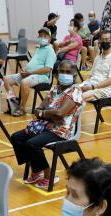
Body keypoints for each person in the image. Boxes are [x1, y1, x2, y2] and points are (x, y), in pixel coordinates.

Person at [11, 60, 83, 190]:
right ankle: (36, 170)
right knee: (17, 137)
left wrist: (45, 113)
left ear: (74, 74)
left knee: (32, 144)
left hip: (62, 131)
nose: (65, 74)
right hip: (45, 126)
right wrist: (49, 114)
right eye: (62, 71)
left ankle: (49, 174)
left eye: (68, 72)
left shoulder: (75, 91)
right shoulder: (55, 89)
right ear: (56, 74)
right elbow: (37, 110)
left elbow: (60, 113)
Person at [4, 28, 56, 117]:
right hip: (29, 73)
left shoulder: (50, 51)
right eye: (40, 36)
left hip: (41, 77)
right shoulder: (39, 48)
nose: (42, 38)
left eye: (45, 36)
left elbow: (47, 69)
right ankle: (13, 106)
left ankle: (22, 108)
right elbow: (33, 63)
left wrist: (30, 72)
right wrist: (25, 69)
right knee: (6, 79)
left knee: (25, 82)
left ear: (50, 39)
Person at [79, 30, 111, 103]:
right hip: (90, 85)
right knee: (69, 93)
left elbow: (110, 80)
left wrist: (93, 87)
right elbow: (91, 76)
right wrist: (84, 84)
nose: (104, 42)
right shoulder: (97, 58)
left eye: (107, 40)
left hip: (102, 90)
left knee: (78, 98)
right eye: (102, 40)